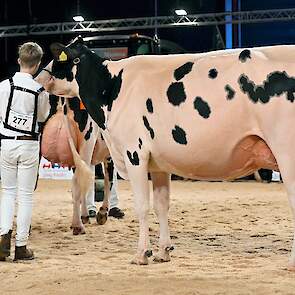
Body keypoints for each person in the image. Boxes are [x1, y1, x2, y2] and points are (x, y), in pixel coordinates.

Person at [0, 42, 50, 261]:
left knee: (8, 192)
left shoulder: (3, 86)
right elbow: (41, 117)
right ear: (38, 64)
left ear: (19, 60)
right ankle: (21, 246)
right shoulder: (40, 91)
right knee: (25, 195)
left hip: (7, 143)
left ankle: (3, 238)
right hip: (29, 144)